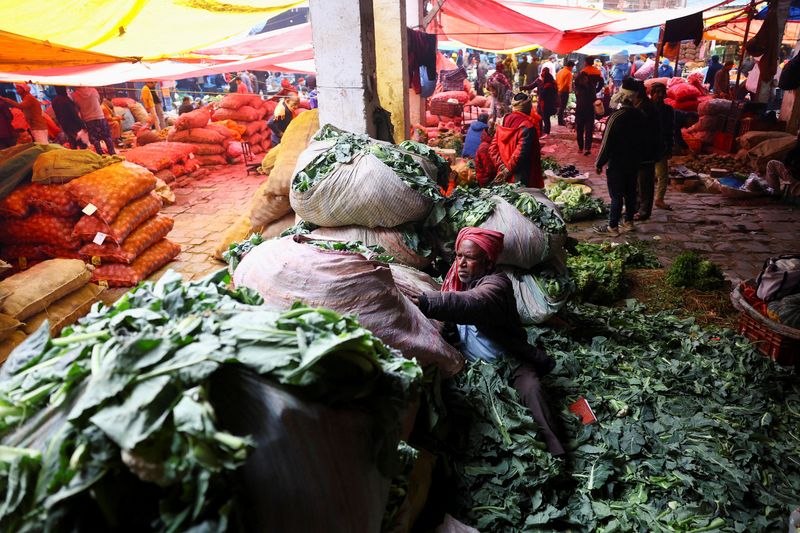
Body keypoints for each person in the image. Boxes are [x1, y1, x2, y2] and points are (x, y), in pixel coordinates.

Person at [408, 227, 564, 456]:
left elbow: (473, 303)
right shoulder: (455, 283)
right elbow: (451, 321)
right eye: (459, 256)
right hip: (475, 368)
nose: (460, 263)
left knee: (533, 391)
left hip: (509, 361)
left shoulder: (497, 285)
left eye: (469, 258)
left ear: (488, 262)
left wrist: (427, 302)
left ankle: (557, 451)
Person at [594, 78, 645, 236]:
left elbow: (606, 142)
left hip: (617, 163)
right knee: (630, 192)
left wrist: (599, 163)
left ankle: (613, 226)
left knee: (616, 195)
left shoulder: (616, 117)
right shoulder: (641, 116)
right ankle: (629, 222)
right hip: (635, 162)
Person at [490, 92, 543, 188]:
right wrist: (507, 170)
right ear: (528, 107)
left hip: (503, 173)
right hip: (520, 176)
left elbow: (493, 148)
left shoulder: (502, 121)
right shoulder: (527, 126)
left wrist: (502, 167)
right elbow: (519, 155)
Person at [633, 80, 661, 221]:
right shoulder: (641, 105)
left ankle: (644, 211)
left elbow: (647, 131)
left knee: (645, 182)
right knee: (638, 181)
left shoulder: (646, 108)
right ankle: (637, 207)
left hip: (647, 150)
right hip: (640, 150)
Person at [650, 83, 675, 210]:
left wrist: (670, 147)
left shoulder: (668, 110)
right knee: (645, 175)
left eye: (662, 92)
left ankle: (659, 199)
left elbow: (671, 130)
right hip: (647, 147)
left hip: (661, 147)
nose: (660, 95)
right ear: (652, 93)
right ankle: (642, 201)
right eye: (657, 92)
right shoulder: (645, 108)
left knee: (663, 175)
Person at [573, 57, 605, 156]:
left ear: (586, 62)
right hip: (590, 107)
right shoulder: (595, 75)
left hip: (580, 108)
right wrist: (597, 90)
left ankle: (580, 147)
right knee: (589, 128)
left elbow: (575, 89)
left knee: (580, 128)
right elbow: (602, 82)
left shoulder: (581, 77)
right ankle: (587, 148)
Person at [71, 86, 116, 155]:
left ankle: (101, 156)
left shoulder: (74, 95)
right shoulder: (93, 90)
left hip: (89, 120)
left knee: (95, 140)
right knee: (107, 137)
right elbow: (99, 101)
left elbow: (77, 108)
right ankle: (113, 153)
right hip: (100, 116)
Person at [528, 67, 557, 137]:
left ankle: (546, 132)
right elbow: (531, 86)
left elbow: (550, 93)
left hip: (546, 102)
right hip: (541, 101)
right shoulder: (539, 80)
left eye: (544, 71)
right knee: (540, 116)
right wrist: (523, 87)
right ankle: (541, 131)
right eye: (542, 71)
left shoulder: (550, 82)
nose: (542, 73)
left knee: (546, 117)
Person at [555, 60, 574, 126]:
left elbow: (556, 81)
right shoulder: (569, 73)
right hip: (564, 91)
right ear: (571, 66)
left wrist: (558, 90)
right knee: (562, 106)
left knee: (560, 106)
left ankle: (560, 120)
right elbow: (567, 84)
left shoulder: (560, 71)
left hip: (558, 90)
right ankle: (560, 121)